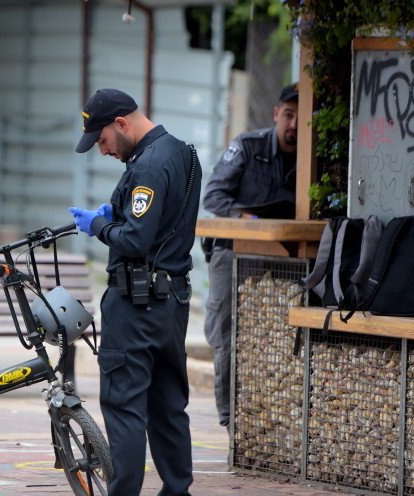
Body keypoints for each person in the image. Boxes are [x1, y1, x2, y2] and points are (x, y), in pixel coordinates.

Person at [69, 88, 200, 496]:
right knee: (168, 406)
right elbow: (162, 223)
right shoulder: (182, 153)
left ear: (122, 123)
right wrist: (119, 214)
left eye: (103, 140)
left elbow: (135, 240)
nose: (103, 150)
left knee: (124, 407)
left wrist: (98, 225)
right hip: (171, 304)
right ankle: (177, 491)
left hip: (135, 306)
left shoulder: (146, 166)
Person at [201, 82, 299, 432]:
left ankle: (271, 422)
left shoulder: (311, 157)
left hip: (285, 261)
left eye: (300, 118)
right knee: (227, 337)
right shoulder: (247, 145)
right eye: (288, 115)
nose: (293, 124)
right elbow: (213, 197)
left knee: (278, 341)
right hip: (233, 253)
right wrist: (250, 220)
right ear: (276, 114)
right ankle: (230, 422)